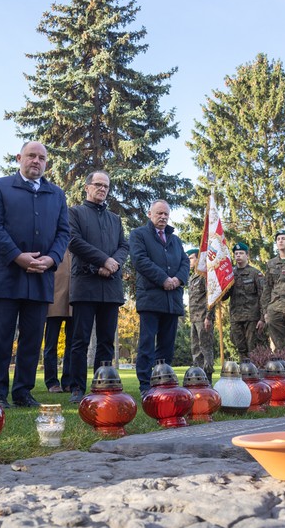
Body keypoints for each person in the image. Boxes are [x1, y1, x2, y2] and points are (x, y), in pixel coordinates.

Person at [0, 141, 69, 409]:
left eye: (41, 158)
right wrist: (18, 257)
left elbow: (63, 233)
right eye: (31, 156)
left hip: (41, 277)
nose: (36, 161)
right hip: (7, 274)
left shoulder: (57, 194)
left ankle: (23, 391)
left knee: (32, 339)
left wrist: (52, 258)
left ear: (46, 163)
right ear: (19, 158)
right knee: (1, 338)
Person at [66, 171, 128, 403]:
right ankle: (77, 388)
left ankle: (102, 385)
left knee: (106, 341)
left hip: (110, 286)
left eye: (106, 186)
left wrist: (113, 264)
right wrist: (103, 260)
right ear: (87, 187)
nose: (102, 189)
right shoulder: (74, 213)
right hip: (85, 284)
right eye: (98, 184)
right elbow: (74, 241)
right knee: (79, 340)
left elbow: (124, 246)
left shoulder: (115, 219)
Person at [129, 200, 190, 394]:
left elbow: (185, 262)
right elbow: (140, 260)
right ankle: (145, 385)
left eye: (166, 214)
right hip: (151, 298)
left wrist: (178, 279)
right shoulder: (138, 235)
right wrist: (163, 279)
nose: (163, 217)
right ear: (150, 214)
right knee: (147, 344)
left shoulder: (175, 240)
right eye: (159, 213)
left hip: (172, 300)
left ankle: (163, 382)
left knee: (167, 345)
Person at [224, 242, 266, 360]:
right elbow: (224, 297)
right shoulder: (230, 274)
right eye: (236, 253)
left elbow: (263, 297)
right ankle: (244, 369)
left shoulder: (255, 273)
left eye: (241, 253)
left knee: (252, 348)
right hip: (236, 317)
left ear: (247, 255)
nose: (238, 255)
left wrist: (262, 318)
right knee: (240, 347)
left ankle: (255, 370)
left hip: (252, 317)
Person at [42, 249, 73, 395]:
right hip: (53, 301)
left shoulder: (76, 245)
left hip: (73, 302)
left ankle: (68, 381)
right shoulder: (55, 246)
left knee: (72, 345)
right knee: (51, 345)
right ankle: (52, 382)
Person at [186, 248, 215, 381]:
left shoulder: (205, 276)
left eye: (191, 258)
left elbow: (211, 298)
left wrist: (209, 317)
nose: (189, 261)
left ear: (199, 259)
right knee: (195, 349)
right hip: (194, 318)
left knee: (205, 348)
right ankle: (198, 378)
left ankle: (207, 379)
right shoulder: (192, 278)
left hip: (203, 318)